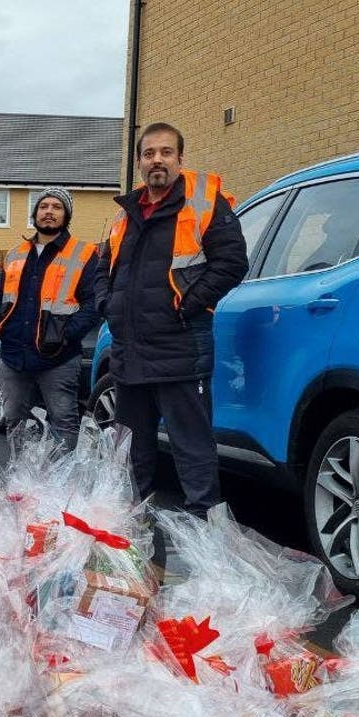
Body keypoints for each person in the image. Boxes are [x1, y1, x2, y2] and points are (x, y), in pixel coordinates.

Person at [95, 122, 248, 516]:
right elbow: (102, 267)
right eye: (149, 154)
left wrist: (186, 304)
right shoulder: (125, 215)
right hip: (130, 355)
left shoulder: (204, 202)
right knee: (131, 453)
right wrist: (106, 305)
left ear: (180, 158)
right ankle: (130, 539)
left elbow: (232, 263)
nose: (157, 160)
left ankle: (205, 545)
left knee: (193, 453)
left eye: (166, 152)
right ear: (139, 162)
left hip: (180, 351)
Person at [0, 188, 99, 450]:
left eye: (57, 207)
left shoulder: (83, 253)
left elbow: (93, 304)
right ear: (35, 213)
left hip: (58, 359)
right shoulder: (15, 254)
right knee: (15, 419)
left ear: (66, 215)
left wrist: (65, 334)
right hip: (14, 357)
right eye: (44, 206)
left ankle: (58, 487)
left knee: (63, 421)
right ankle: (22, 484)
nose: (49, 211)